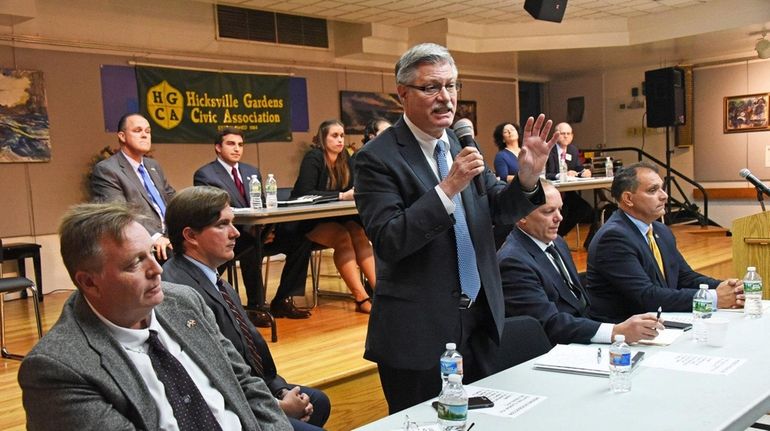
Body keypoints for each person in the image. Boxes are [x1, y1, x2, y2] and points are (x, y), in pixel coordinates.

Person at [353, 43, 557, 414]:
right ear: (403, 94)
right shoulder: (376, 158)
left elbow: (498, 207)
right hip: (419, 329)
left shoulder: (460, 142)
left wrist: (528, 176)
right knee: (425, 423)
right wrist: (447, 189)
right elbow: (390, 239)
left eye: (452, 86)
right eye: (431, 87)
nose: (445, 97)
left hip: (479, 318)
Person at [18, 203, 291, 431]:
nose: (156, 270)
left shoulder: (184, 301)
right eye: (135, 263)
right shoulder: (57, 368)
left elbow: (243, 381)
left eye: (151, 253)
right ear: (89, 282)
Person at [162, 186, 331, 431]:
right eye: (223, 225)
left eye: (233, 223)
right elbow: (214, 374)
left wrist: (281, 390)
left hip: (254, 388)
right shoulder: (180, 292)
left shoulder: (214, 279)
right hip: (225, 405)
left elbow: (251, 350)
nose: (235, 234)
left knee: (318, 402)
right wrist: (276, 406)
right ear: (191, 236)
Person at [498, 183, 663, 345]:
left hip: (581, 335)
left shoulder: (557, 243)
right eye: (548, 211)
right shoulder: (513, 262)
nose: (559, 218)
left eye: (560, 209)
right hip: (555, 350)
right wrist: (616, 332)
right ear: (521, 217)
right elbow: (549, 324)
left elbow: (579, 306)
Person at [586, 162, 744, 323]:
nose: (664, 195)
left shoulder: (660, 230)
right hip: (624, 333)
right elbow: (647, 297)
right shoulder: (614, 238)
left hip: (658, 324)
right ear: (628, 198)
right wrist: (714, 297)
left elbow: (685, 277)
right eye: (653, 190)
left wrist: (727, 288)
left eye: (662, 188)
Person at [193, 127, 313, 322]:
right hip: (234, 237)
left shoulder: (251, 171)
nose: (237, 149)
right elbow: (213, 213)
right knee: (250, 244)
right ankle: (257, 307)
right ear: (217, 147)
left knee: (301, 240)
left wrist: (269, 228)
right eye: (231, 144)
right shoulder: (206, 175)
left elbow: (264, 205)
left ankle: (282, 300)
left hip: (260, 233)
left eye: (240, 144)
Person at [291, 119, 375, 313]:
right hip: (306, 220)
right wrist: (340, 196)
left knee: (359, 234)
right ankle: (361, 298)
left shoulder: (345, 157)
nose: (340, 140)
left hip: (336, 217)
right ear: (323, 138)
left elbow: (353, 188)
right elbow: (304, 192)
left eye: (342, 136)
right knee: (342, 237)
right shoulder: (314, 157)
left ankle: (380, 293)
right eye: (334, 136)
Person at [90, 113, 176, 261]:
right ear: (122, 136)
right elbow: (119, 214)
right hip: (142, 244)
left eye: (147, 131)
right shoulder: (107, 170)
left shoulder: (153, 166)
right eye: (138, 131)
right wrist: (155, 237)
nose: (145, 135)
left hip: (171, 237)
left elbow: (174, 199)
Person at [544, 122, 593, 238]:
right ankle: (555, 237)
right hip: (551, 191)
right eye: (562, 133)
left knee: (585, 209)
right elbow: (545, 173)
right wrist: (560, 175)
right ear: (555, 135)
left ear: (572, 136)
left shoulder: (573, 150)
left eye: (568, 134)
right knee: (563, 210)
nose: (566, 136)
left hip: (567, 192)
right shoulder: (548, 150)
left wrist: (584, 172)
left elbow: (577, 167)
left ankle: (559, 236)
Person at [492, 121, 522, 248]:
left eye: (512, 129)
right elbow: (503, 177)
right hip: (513, 195)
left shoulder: (525, 151)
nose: (510, 132)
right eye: (506, 131)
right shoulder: (501, 156)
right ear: (502, 139)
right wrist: (523, 177)